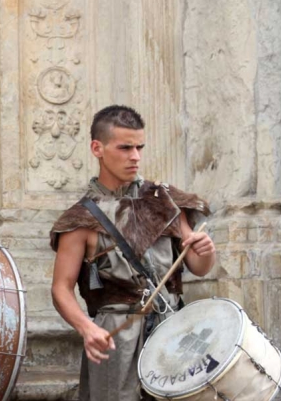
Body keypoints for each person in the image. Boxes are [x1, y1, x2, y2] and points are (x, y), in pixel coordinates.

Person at [50, 105, 216, 401]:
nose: (135, 156)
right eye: (125, 147)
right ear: (97, 148)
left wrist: (205, 250)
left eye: (139, 147)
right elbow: (61, 288)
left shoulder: (165, 201)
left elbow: (199, 266)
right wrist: (86, 328)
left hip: (171, 329)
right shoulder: (80, 220)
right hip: (116, 336)